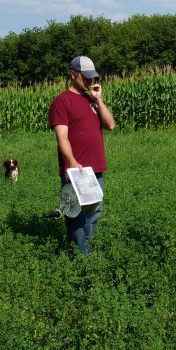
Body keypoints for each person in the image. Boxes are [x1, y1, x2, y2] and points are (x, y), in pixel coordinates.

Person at [49, 55, 116, 255]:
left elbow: (110, 125)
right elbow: (62, 137)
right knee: (76, 215)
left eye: (92, 77)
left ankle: (89, 253)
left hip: (95, 169)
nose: (90, 81)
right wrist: (72, 162)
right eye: (85, 77)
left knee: (94, 213)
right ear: (73, 74)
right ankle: (79, 258)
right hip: (76, 170)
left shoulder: (91, 100)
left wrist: (99, 99)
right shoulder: (62, 102)